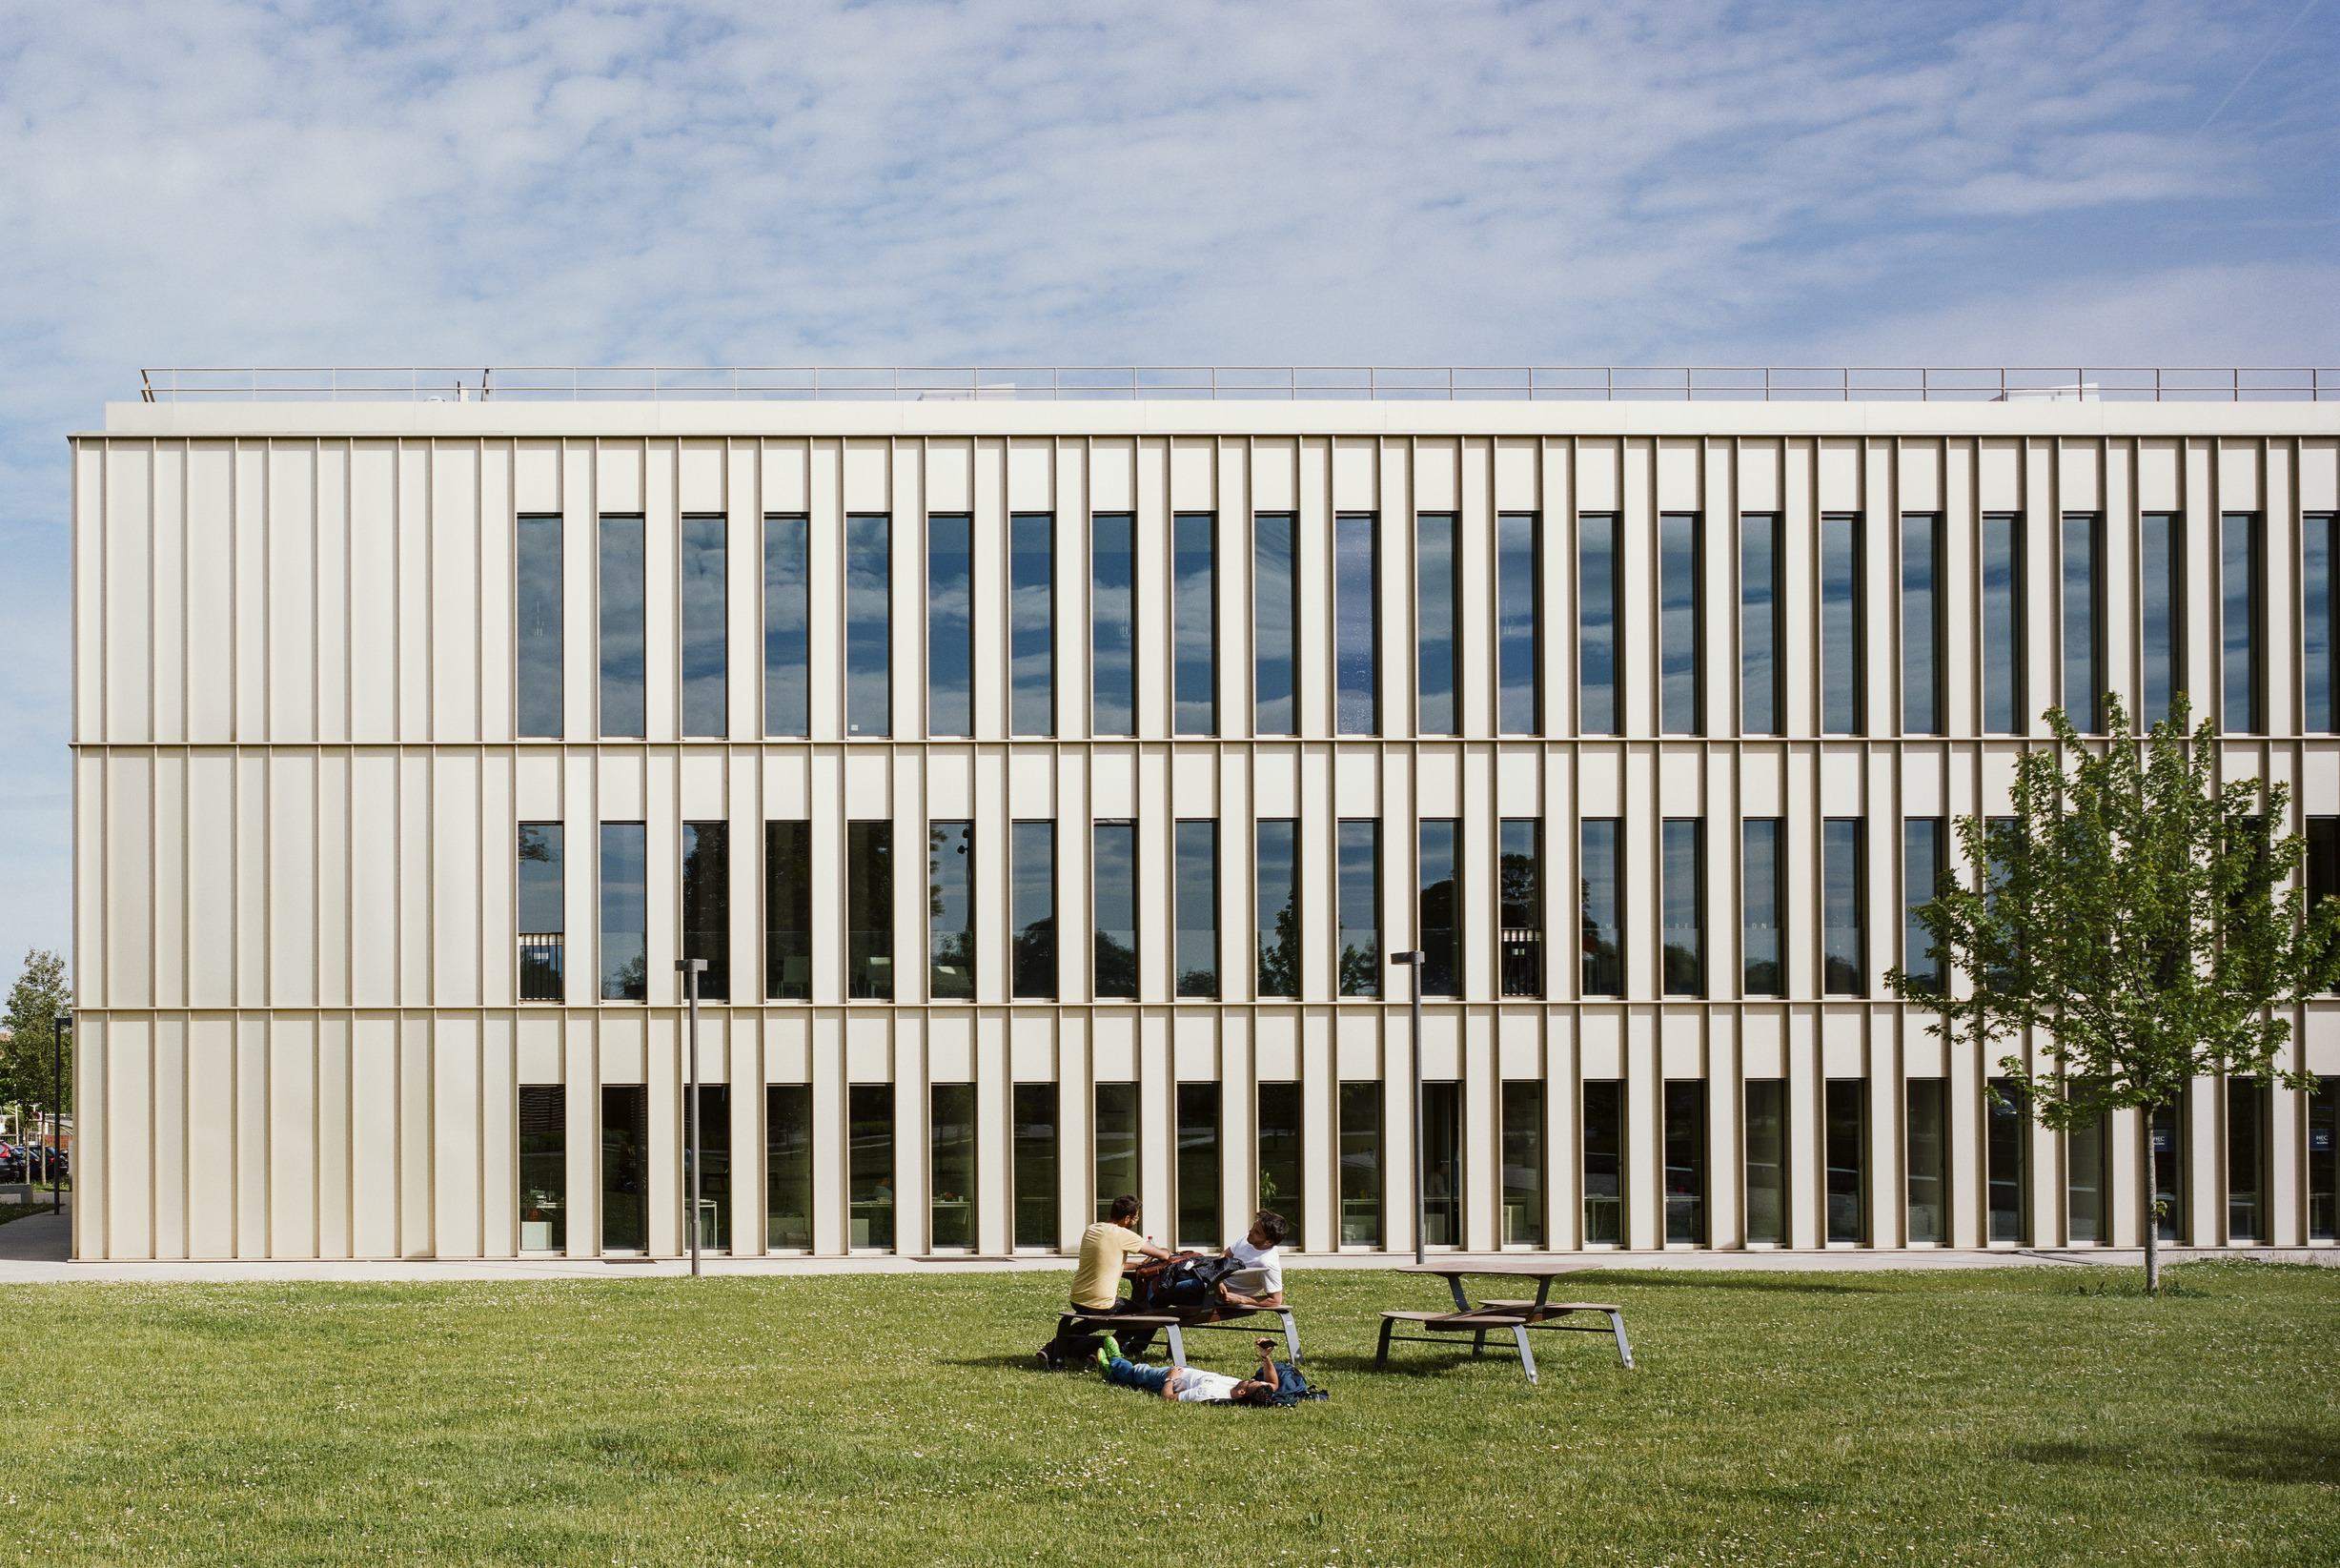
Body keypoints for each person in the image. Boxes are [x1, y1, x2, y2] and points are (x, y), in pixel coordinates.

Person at [1038, 1193, 1177, 1366]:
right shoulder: (1123, 1234)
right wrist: (1165, 1250)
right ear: (1127, 1219)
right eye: (1136, 1218)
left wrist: (1137, 1265)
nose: (1136, 1222)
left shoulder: (1092, 1229)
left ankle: (1051, 1348)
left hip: (1078, 1299)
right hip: (1102, 1304)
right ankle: (1102, 1352)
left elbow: (1105, 1262)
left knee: (1093, 1321)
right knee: (1143, 1316)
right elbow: (1163, 1254)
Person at [1096, 1334, 1283, 1405]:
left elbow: (1167, 1398)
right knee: (1135, 1382)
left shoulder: (1208, 1393)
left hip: (1174, 1376)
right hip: (1188, 1371)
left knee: (1137, 1373)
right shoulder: (1256, 1389)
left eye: (1251, 1381)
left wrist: (1171, 1378)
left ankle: (1116, 1360)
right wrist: (1265, 1357)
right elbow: (1273, 1383)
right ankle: (1111, 1375)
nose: (1250, 1378)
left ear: (1242, 1391)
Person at [1216, 1210, 1288, 1311]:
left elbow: (1276, 1300)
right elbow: (1225, 1254)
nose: (1250, 1232)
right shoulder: (1247, 1239)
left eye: (1257, 1232)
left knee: (1185, 1287)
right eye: (1253, 1227)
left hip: (1213, 1296)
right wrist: (1219, 1280)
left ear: (1269, 1242)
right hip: (1211, 1281)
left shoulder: (1267, 1263)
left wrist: (1240, 1299)